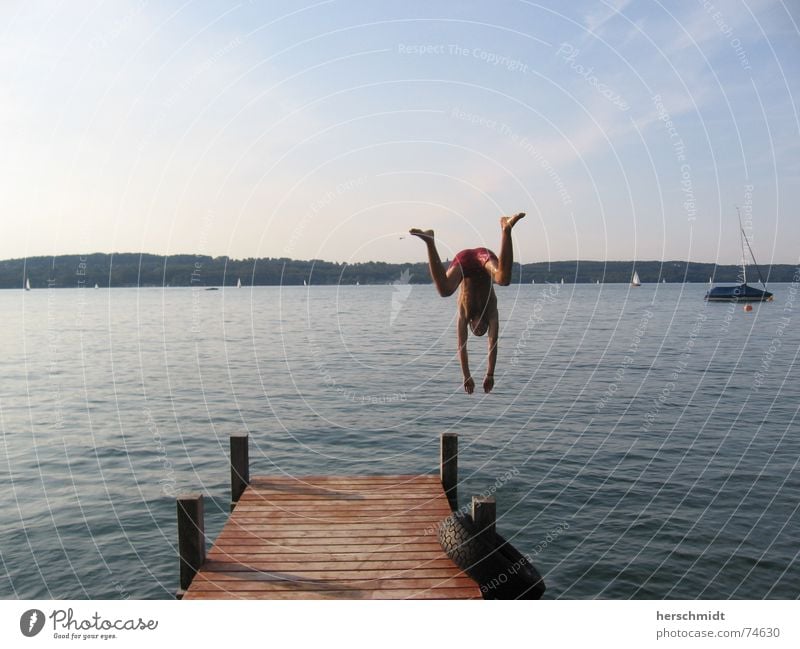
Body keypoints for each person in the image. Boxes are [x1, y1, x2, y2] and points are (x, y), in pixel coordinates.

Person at [410, 213, 525, 394]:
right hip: (482, 258)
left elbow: (461, 346)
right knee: (503, 279)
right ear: (486, 325)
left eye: (475, 331)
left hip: (464, 262)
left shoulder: (464, 314)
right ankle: (506, 229)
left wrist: (466, 376)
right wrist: (490, 374)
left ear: (471, 325)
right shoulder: (492, 313)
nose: (479, 330)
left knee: (445, 290)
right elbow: (493, 343)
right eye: (482, 331)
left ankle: (429, 241)